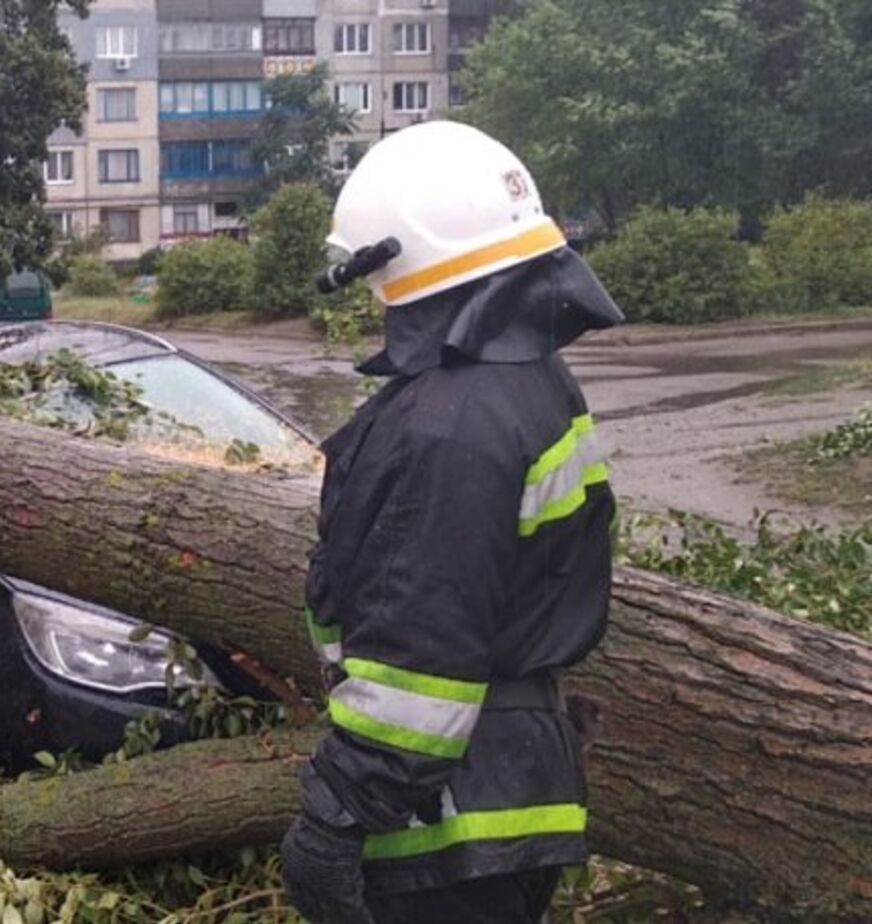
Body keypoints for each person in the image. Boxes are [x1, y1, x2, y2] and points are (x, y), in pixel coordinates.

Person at [279, 121, 623, 924]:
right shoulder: (529, 378)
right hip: (509, 795)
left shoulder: (449, 426)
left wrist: (335, 813)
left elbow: (420, 655)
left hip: (446, 826)